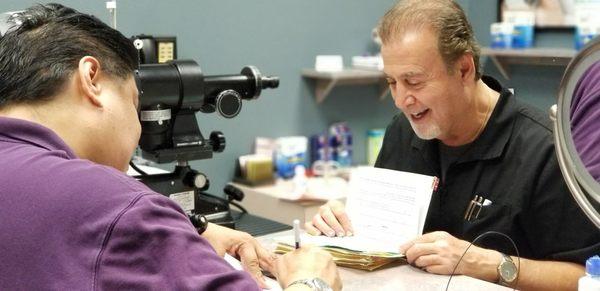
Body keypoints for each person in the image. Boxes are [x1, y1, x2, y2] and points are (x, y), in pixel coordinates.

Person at [0, 4, 341, 291]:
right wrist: (311, 281)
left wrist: (183, 238)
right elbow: (99, 216)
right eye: (135, 103)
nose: (137, 128)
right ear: (91, 78)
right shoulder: (114, 204)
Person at [306, 1, 600, 290]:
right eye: (393, 82)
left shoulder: (545, 150)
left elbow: (583, 277)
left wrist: (490, 264)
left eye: (414, 81)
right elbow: (379, 241)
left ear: (463, 69)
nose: (400, 100)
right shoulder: (402, 132)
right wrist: (343, 223)